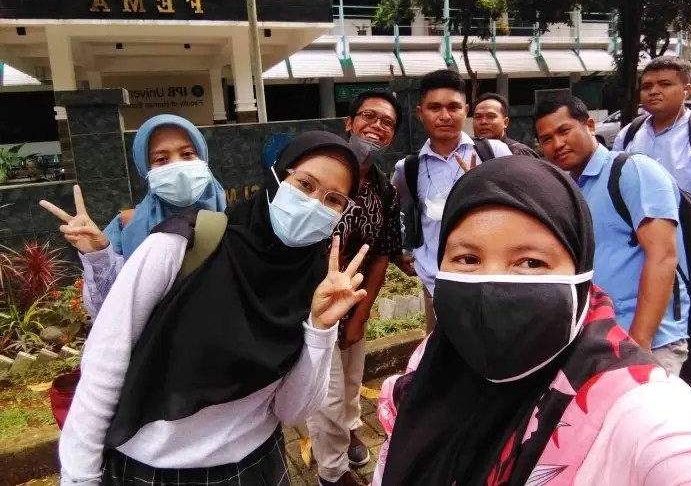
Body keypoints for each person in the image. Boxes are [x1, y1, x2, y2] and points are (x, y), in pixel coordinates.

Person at [372, 156, 691, 486]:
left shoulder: (637, 408)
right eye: (468, 259)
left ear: (580, 272)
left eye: (531, 262)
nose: (492, 283)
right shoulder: (431, 361)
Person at [59, 131, 369, 486]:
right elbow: (105, 361)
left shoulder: (315, 282)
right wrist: (80, 477)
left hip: (257, 466)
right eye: (304, 184)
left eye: (334, 199)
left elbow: (292, 411)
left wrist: (320, 329)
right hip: (153, 470)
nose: (314, 204)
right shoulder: (181, 245)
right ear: (276, 177)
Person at [614, 56, 691, 398]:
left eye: (664, 84)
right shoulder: (629, 135)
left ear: (685, 89)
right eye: (647, 86)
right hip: (639, 257)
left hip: (690, 261)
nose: (654, 91)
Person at [535, 94, 690, 373]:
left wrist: (639, 343)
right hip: (601, 341)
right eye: (547, 139)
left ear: (590, 125)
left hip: (648, 342)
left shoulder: (633, 171)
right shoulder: (572, 189)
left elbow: (663, 256)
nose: (557, 144)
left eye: (564, 131)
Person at [40, 114, 227, 319]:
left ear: (203, 158)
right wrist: (98, 255)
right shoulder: (126, 228)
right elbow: (108, 313)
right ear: (146, 168)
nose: (178, 168)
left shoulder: (236, 220)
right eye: (161, 159)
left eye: (187, 154)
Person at [308, 92, 403, 486]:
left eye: (387, 122)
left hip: (354, 301)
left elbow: (382, 254)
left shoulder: (386, 191)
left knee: (349, 381)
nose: (376, 126)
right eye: (368, 116)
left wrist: (361, 315)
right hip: (312, 306)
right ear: (349, 123)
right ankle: (332, 472)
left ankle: (348, 431)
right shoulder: (321, 175)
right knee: (325, 394)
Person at [391, 70, 512, 334]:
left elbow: (519, 207)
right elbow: (395, 211)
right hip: (436, 282)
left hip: (490, 280)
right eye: (435, 108)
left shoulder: (493, 153)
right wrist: (400, 251)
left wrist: (484, 187)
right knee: (441, 351)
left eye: (453, 107)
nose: (445, 116)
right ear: (420, 113)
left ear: (465, 110)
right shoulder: (408, 168)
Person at [472, 93, 539, 157]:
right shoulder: (470, 151)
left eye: (491, 116)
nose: (483, 122)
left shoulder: (519, 153)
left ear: (505, 122)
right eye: (478, 117)